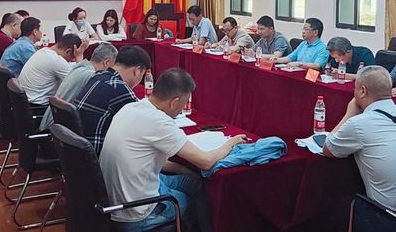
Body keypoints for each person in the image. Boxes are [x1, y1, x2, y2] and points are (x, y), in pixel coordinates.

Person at [100, 68, 246, 232]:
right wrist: (231, 142)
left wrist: (181, 169)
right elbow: (206, 162)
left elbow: (143, 159)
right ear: (174, 102)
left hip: (118, 198)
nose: (181, 109)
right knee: (186, 203)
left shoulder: (131, 107)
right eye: (183, 104)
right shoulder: (159, 122)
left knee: (193, 182)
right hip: (136, 212)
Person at [324, 66, 396, 214]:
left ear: (362, 91)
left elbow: (328, 149)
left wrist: (349, 113)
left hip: (388, 214)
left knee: (336, 204)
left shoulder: (358, 123)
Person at [75, 45, 151, 154]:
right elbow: (141, 128)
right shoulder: (119, 88)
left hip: (79, 150)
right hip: (98, 155)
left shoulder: (97, 76)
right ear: (137, 70)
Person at [39, 42, 118, 131]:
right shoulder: (93, 77)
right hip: (57, 131)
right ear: (107, 62)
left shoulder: (79, 68)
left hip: (53, 126)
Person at [18, 34, 88, 107]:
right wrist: (79, 57)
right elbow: (79, 82)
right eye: (73, 57)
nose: (72, 60)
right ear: (68, 51)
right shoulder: (57, 60)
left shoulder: (43, 51)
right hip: (39, 107)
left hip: (25, 102)